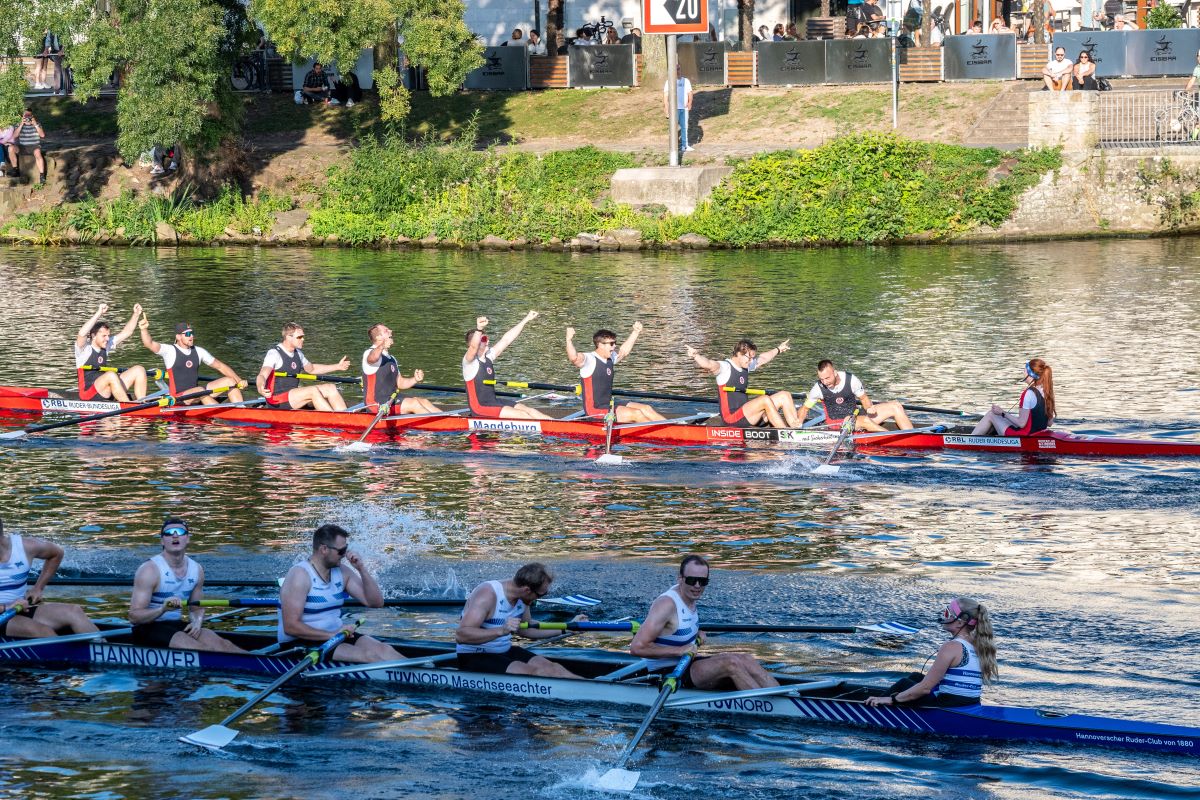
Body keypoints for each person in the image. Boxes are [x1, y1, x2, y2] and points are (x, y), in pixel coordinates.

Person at [630, 555, 779, 691]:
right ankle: (772, 708)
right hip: (668, 672)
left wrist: (696, 633)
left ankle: (786, 699)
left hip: (687, 663)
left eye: (702, 581)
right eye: (691, 580)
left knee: (746, 659)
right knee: (731, 664)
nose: (697, 585)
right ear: (680, 579)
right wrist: (679, 650)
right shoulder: (667, 604)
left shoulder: (689, 597)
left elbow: (675, 628)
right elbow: (637, 647)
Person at [278, 524, 404, 663]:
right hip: (300, 642)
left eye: (346, 549)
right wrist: (331, 635)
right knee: (369, 657)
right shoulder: (300, 575)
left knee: (385, 650)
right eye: (341, 551)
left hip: (336, 636)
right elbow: (290, 627)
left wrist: (361, 569)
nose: (344, 555)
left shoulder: (342, 572)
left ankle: (426, 672)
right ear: (324, 549)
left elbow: (376, 603)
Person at [128, 518, 246, 652]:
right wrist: (162, 609)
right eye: (169, 533)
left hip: (174, 625)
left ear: (187, 538)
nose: (175, 535)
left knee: (225, 645)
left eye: (180, 531)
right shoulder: (150, 570)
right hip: (146, 628)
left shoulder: (197, 570)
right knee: (202, 650)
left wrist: (197, 621)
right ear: (162, 541)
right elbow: (134, 616)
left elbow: (196, 608)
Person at [455, 562, 586, 678]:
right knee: (533, 673)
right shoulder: (487, 594)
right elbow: (462, 635)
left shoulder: (523, 598)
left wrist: (567, 627)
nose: (540, 598)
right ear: (527, 590)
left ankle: (589, 688)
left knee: (554, 668)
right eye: (541, 594)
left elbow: (526, 630)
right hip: (473, 656)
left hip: (503, 651)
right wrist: (501, 630)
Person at [866, 597, 996, 708]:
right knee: (916, 677)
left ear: (960, 621)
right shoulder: (979, 645)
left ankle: (873, 707)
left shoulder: (951, 647)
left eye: (947, 613)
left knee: (904, 683)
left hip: (948, 706)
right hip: (969, 703)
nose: (943, 616)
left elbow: (925, 689)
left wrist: (891, 699)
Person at [0, 518, 100, 639]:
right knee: (43, 632)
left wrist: (38, 588)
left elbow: (56, 553)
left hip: (20, 610)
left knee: (74, 612)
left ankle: (105, 649)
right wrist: (6, 607)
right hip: (6, 612)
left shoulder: (25, 546)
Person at [687, 339, 801, 429]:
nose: (751, 361)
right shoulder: (725, 367)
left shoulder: (746, 365)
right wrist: (696, 356)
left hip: (747, 416)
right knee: (764, 399)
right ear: (739, 354)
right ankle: (785, 432)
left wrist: (779, 349)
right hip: (732, 418)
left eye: (752, 357)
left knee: (785, 395)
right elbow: (708, 364)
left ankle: (796, 427)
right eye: (749, 357)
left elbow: (763, 358)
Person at [566, 323, 665, 424]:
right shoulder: (589, 359)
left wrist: (635, 332)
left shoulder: (610, 358)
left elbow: (624, 352)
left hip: (609, 404)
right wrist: (569, 340)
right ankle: (662, 435)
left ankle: (675, 428)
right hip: (595, 410)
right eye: (611, 344)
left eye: (615, 343)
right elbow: (574, 358)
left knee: (646, 408)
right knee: (637, 414)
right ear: (600, 345)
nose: (614, 346)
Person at [462, 313, 554, 420]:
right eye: (483, 339)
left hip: (493, 402)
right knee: (523, 416)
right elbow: (473, 348)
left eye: (486, 338)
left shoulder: (489, 357)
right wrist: (479, 328)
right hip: (480, 408)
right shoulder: (469, 363)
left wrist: (526, 319)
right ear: (474, 343)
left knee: (529, 410)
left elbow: (506, 339)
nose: (488, 341)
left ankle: (557, 425)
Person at [138, 316, 246, 403]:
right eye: (188, 334)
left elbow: (220, 366)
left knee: (230, 381)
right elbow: (149, 344)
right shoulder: (169, 351)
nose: (191, 337)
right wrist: (143, 329)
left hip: (197, 393)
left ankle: (241, 410)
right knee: (200, 391)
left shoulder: (199, 351)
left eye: (192, 333)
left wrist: (239, 380)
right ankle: (223, 414)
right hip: (179, 397)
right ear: (178, 337)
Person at [255, 323, 351, 411]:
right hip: (276, 400)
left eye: (303, 337)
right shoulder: (274, 353)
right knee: (312, 391)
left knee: (331, 388)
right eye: (300, 337)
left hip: (293, 396)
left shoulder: (298, 353)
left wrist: (337, 366)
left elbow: (312, 369)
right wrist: (260, 387)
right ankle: (334, 420)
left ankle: (346, 419)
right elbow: (262, 375)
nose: (303, 339)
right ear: (289, 337)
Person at [801, 359, 914, 433]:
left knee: (896, 406)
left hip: (855, 416)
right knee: (865, 420)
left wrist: (869, 407)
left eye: (827, 378)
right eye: (822, 379)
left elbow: (864, 399)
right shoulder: (817, 389)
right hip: (839, 424)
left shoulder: (851, 380)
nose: (824, 382)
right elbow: (805, 408)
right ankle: (896, 438)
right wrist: (797, 423)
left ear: (835, 373)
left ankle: (913, 436)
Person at [74, 303, 149, 402]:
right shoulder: (84, 349)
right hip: (88, 395)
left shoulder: (106, 346)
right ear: (93, 336)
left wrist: (136, 314)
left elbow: (127, 332)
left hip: (105, 390)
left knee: (139, 370)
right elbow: (82, 333)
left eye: (108, 335)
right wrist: (99, 312)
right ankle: (128, 406)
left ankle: (142, 403)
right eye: (104, 336)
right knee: (111, 374)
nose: (107, 339)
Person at [362, 323, 441, 415]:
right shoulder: (368, 353)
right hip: (376, 405)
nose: (391, 331)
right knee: (414, 404)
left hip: (391, 400)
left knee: (424, 401)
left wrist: (415, 379)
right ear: (379, 337)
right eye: (386, 331)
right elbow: (372, 359)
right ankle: (438, 425)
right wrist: (382, 345)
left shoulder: (392, 359)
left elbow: (400, 383)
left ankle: (450, 419)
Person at [970, 358, 1055, 436]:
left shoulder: (1028, 393)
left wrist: (1002, 412)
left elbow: (1021, 423)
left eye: (1024, 370)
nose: (1023, 372)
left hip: (1022, 436)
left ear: (1030, 374)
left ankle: (969, 441)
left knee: (991, 414)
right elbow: (1049, 423)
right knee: (1000, 417)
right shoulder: (1047, 392)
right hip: (1036, 435)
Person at [663, 66, 694, 154]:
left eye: (679, 69)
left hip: (683, 109)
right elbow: (666, 96)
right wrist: (666, 110)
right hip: (673, 109)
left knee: (684, 127)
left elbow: (690, 92)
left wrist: (689, 103)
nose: (677, 71)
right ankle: (673, 147)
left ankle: (685, 145)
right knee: (673, 128)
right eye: (675, 70)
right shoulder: (669, 82)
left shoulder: (686, 81)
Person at [11, 109, 46, 184]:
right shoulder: (18, 124)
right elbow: (14, 136)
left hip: (34, 146)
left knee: (37, 152)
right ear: (22, 116)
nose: (27, 117)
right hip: (22, 147)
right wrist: (21, 124)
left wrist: (35, 124)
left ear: (32, 116)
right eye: (25, 115)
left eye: (29, 115)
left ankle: (42, 176)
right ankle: (15, 170)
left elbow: (42, 135)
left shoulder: (37, 124)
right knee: (11, 148)